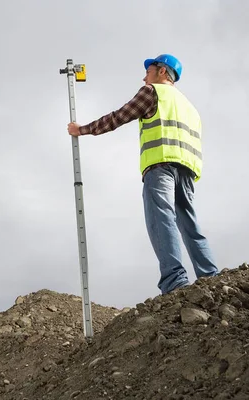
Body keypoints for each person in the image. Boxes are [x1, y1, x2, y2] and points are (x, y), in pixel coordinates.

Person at [67, 54, 219, 295]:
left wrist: (81, 130)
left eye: (148, 71)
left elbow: (117, 117)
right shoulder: (190, 107)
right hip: (187, 171)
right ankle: (210, 275)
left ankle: (174, 280)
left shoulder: (152, 92)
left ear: (161, 71)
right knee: (188, 223)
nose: (144, 76)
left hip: (160, 167)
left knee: (161, 218)